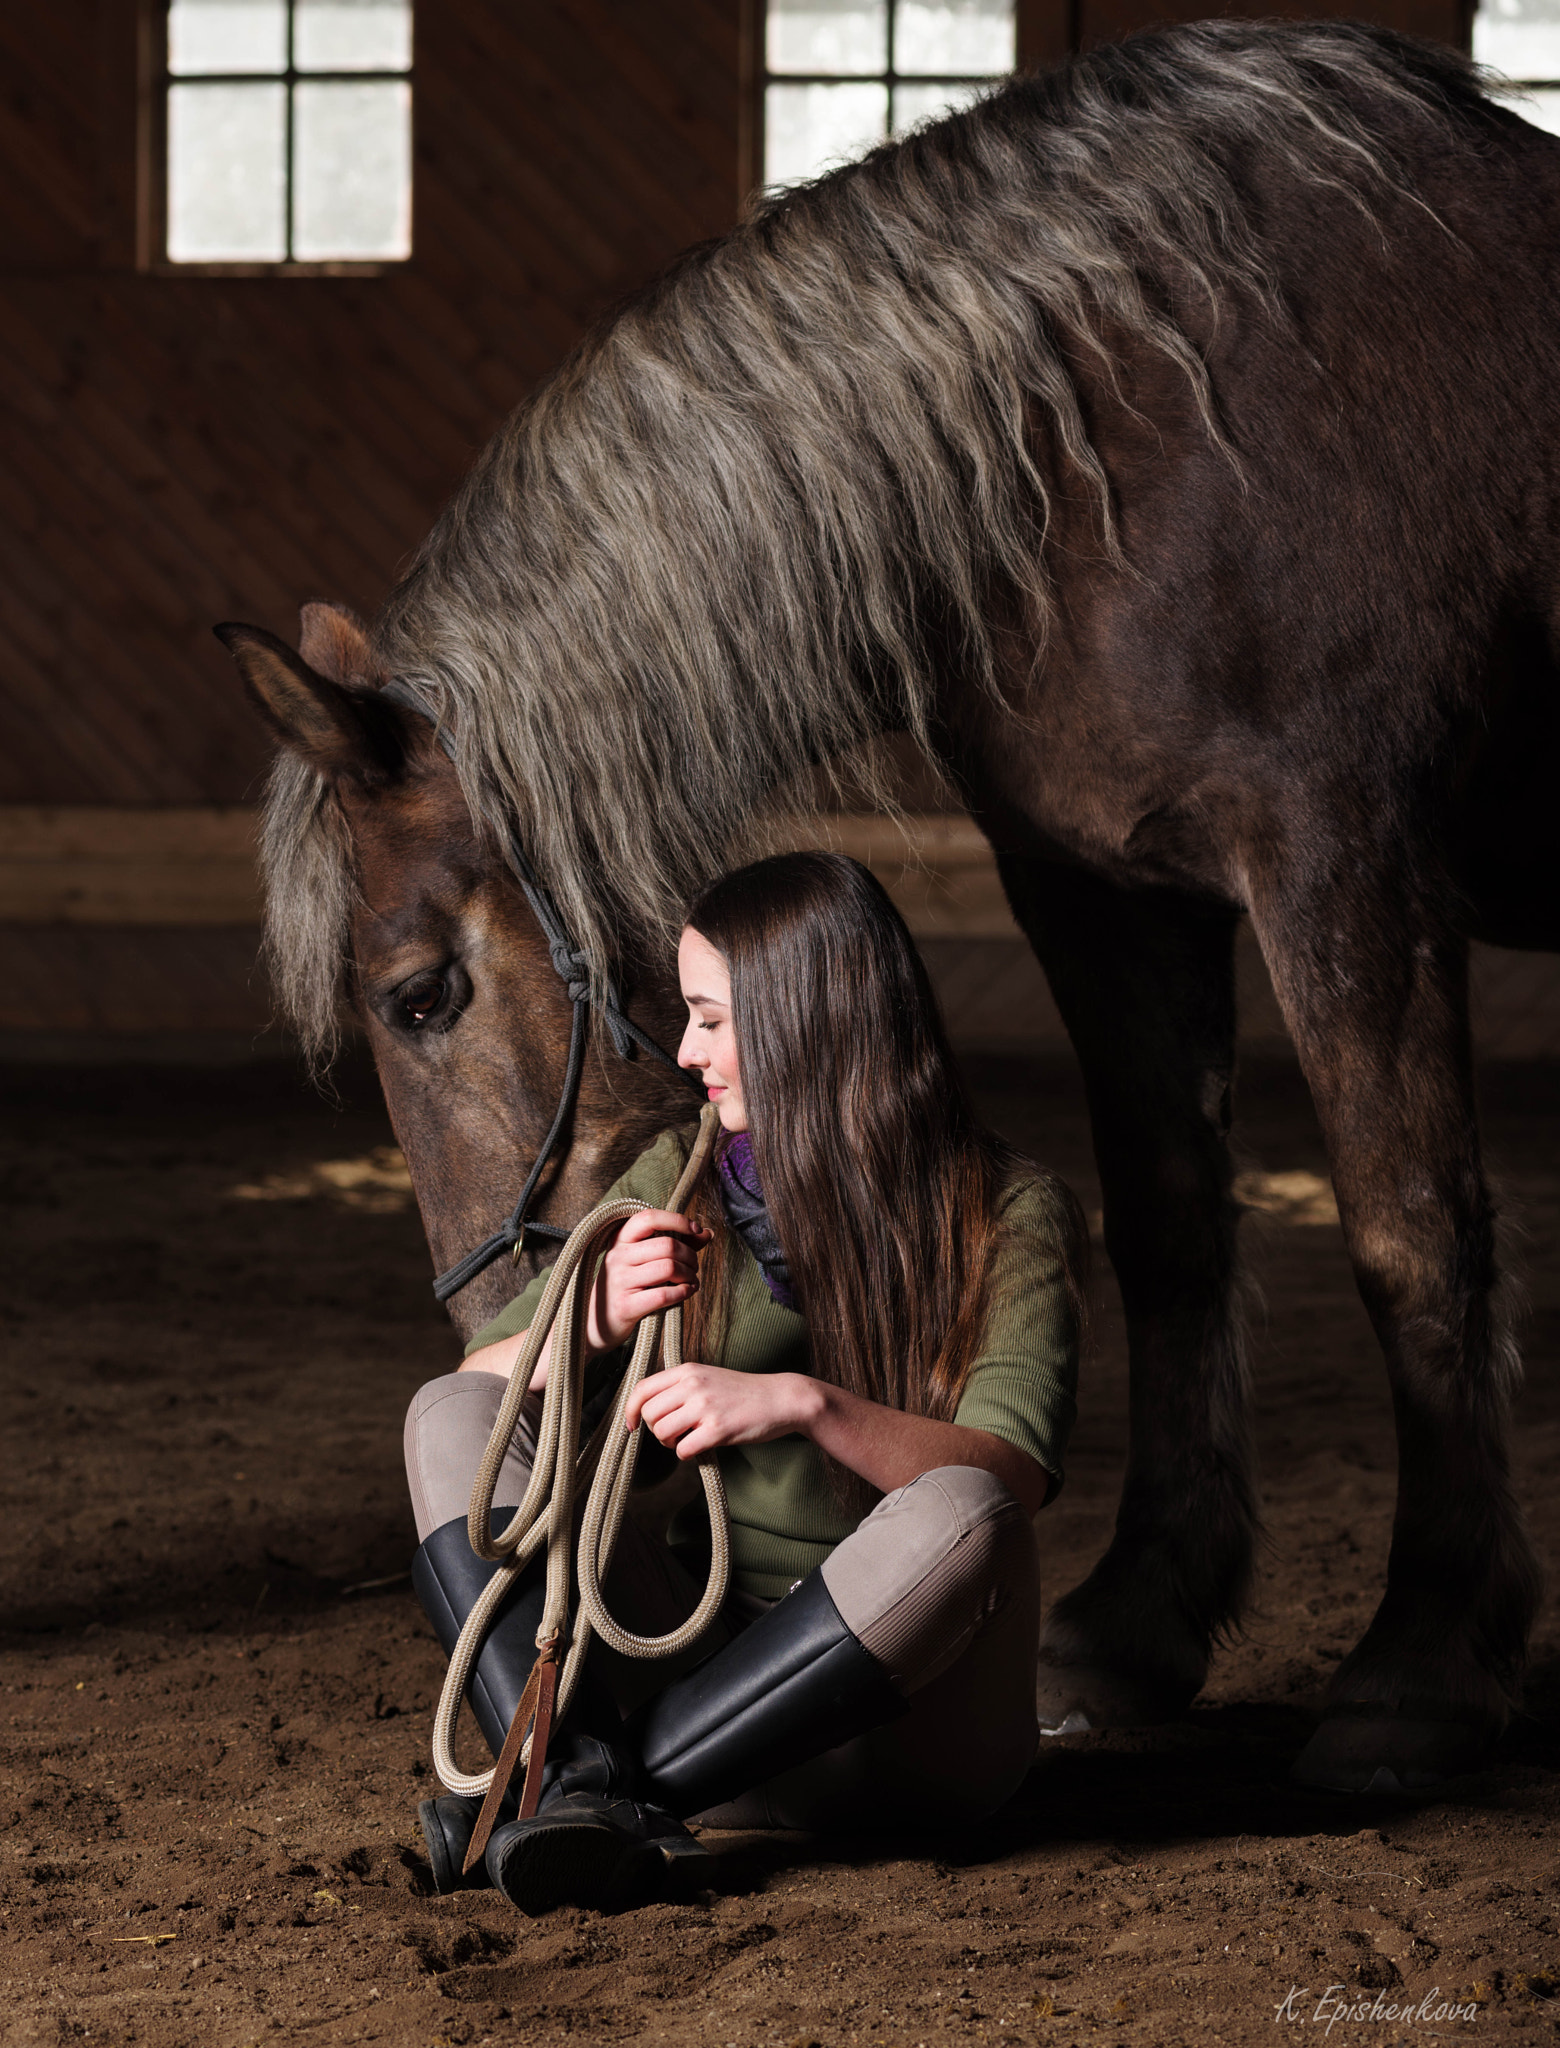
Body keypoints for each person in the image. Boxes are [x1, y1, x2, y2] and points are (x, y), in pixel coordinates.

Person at [403, 852, 1085, 1914]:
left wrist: (805, 1404)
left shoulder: (1009, 1209)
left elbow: (1013, 1478)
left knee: (964, 1509)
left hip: (903, 1729)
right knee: (446, 1409)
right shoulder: (681, 1177)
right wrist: (590, 1317)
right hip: (694, 1680)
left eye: (712, 1019)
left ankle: (557, 1797)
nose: (686, 1052)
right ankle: (587, 1789)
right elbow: (473, 1392)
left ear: (807, 1018)